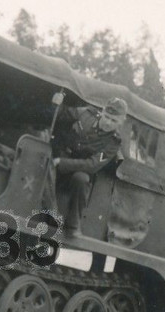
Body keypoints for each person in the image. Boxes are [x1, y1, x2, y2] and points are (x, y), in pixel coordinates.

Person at [51, 95, 128, 236]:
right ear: (102, 111)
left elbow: (92, 165)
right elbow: (62, 113)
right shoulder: (86, 113)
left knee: (82, 179)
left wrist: (62, 163)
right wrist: (56, 103)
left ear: (121, 122)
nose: (108, 123)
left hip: (77, 169)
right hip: (61, 156)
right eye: (107, 117)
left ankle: (73, 224)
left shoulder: (113, 143)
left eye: (114, 120)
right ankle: (47, 212)